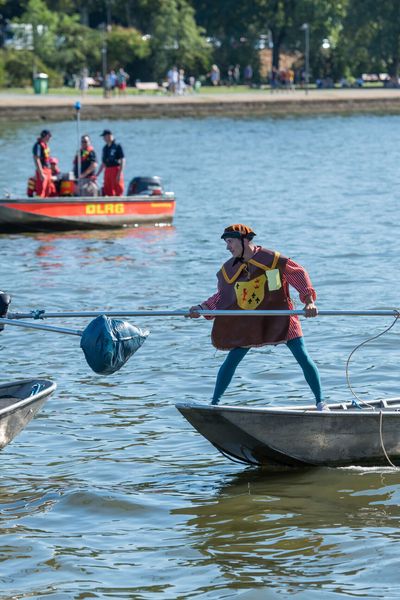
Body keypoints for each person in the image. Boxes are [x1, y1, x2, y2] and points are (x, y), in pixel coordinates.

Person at [188, 224, 327, 411]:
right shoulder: (230, 268)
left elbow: (298, 274)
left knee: (301, 355)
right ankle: (214, 405)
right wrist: (203, 308)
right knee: (232, 359)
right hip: (251, 321)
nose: (227, 247)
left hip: (280, 316)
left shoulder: (271, 259)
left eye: (230, 242)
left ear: (244, 241)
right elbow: (223, 297)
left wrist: (309, 301)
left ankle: (320, 402)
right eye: (226, 243)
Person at [96, 130, 125, 196]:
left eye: (104, 136)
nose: (103, 138)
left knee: (118, 188)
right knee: (108, 189)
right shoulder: (105, 148)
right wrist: (97, 174)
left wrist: (119, 173)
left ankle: (119, 202)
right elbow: (103, 163)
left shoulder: (117, 146)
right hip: (108, 170)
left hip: (116, 169)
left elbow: (122, 160)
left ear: (109, 136)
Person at [32, 129, 52, 197]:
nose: (50, 138)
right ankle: (37, 205)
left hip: (48, 170)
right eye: (49, 136)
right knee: (41, 190)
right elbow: (36, 159)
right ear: (45, 136)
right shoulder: (38, 145)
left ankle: (46, 205)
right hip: (42, 170)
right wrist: (41, 173)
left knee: (47, 190)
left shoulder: (45, 145)